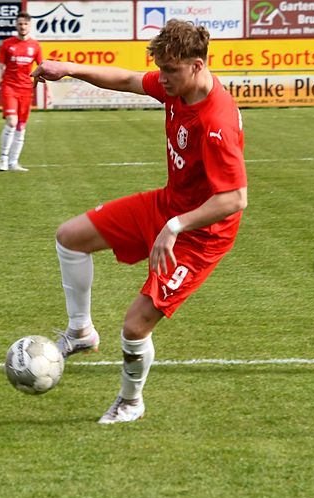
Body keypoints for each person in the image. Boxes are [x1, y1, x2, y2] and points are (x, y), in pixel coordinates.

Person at [31, 20, 248, 423]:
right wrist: (69, 68)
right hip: (168, 205)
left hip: (201, 234)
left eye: (170, 70)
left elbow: (234, 199)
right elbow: (128, 79)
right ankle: (80, 332)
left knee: (135, 326)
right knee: (70, 237)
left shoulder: (215, 120)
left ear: (197, 66)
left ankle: (131, 402)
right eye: (160, 69)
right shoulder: (177, 87)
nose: (162, 78)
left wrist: (176, 227)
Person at [0, 12, 43, 172]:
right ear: (16, 25)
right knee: (12, 122)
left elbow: (42, 68)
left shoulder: (35, 46)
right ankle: (3, 158)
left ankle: (14, 162)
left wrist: (48, 90)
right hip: (10, 87)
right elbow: (0, 66)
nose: (22, 26)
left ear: (29, 25)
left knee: (21, 126)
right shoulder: (7, 44)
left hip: (26, 89)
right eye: (20, 24)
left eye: (25, 24)